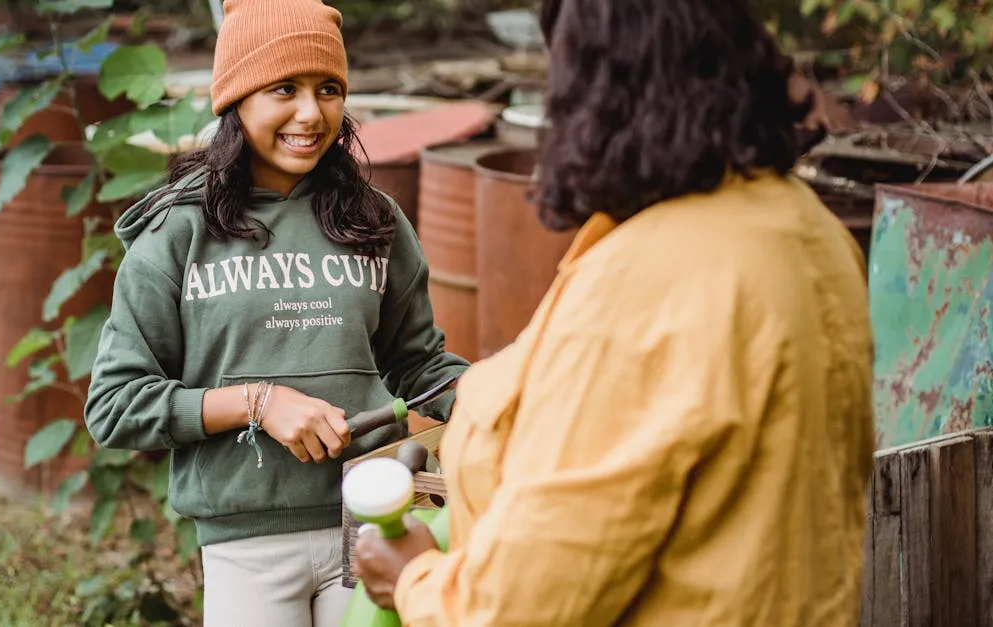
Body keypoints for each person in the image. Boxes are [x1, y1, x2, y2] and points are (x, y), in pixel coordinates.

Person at [353, 0, 876, 625]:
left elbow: (527, 605)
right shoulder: (812, 231)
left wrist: (416, 579)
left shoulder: (648, 285)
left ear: (598, 91)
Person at [82, 1, 469, 624]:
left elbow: (419, 365)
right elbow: (116, 405)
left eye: (330, 89)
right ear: (237, 98)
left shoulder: (374, 220)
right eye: (284, 88)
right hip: (247, 543)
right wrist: (257, 401)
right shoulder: (178, 233)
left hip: (373, 519)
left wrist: (497, 396)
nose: (311, 114)